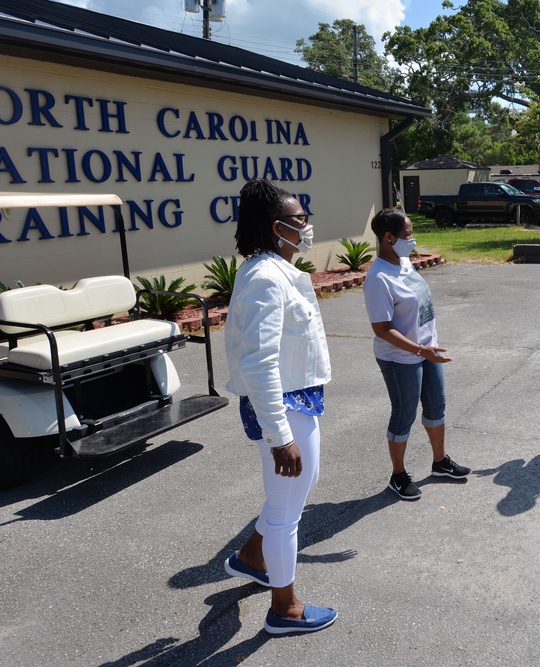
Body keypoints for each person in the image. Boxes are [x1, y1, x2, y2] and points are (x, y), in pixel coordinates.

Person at [220, 179, 337, 634]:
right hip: (283, 406)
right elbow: (260, 361)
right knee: (288, 510)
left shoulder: (275, 271)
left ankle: (251, 557)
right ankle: (284, 609)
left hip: (297, 398)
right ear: (278, 228)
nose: (307, 226)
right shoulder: (265, 278)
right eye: (300, 219)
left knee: (295, 491)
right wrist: (280, 438)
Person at [363, 208, 470, 500]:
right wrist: (420, 349)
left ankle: (440, 462)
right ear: (388, 238)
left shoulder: (405, 262)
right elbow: (382, 329)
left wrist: (427, 347)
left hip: (427, 350)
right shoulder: (378, 278)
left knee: (437, 406)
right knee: (404, 414)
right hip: (400, 358)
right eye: (407, 235)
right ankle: (397, 475)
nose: (412, 240)